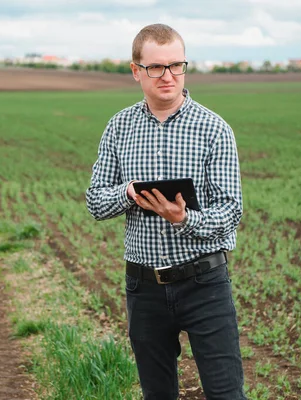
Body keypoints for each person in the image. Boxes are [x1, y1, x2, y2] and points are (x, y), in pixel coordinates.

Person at [86, 23, 246, 399]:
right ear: (136, 71)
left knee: (226, 394)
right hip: (144, 287)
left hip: (205, 283)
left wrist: (184, 219)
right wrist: (128, 193)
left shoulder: (214, 129)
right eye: (156, 67)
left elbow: (231, 210)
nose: (168, 75)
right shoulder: (119, 128)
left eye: (176, 65)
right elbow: (95, 201)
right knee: (157, 394)